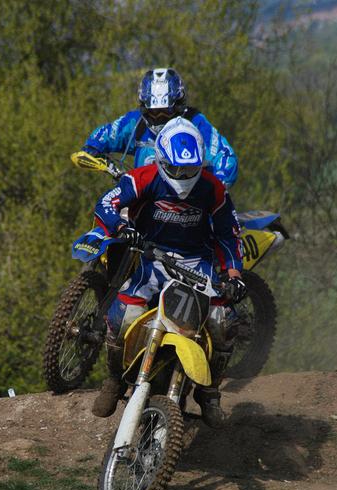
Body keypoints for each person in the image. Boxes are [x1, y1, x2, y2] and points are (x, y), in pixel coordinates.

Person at [91, 117, 246, 427]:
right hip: (153, 257)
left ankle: (210, 393)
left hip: (196, 264)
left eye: (189, 170)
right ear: (161, 161)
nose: (182, 176)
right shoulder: (143, 177)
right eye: (175, 169)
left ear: (200, 164)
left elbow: (228, 234)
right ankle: (114, 379)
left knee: (223, 322)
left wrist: (233, 274)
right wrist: (121, 226)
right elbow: (107, 202)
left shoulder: (213, 189)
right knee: (122, 317)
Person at [81, 68, 238, 188]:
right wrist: (93, 149)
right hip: (142, 201)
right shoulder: (135, 122)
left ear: (178, 106)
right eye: (154, 112)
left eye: (166, 111)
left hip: (190, 204)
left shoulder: (195, 123)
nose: (160, 118)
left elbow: (225, 155)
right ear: (145, 108)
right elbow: (104, 135)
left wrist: (216, 185)